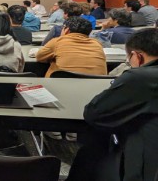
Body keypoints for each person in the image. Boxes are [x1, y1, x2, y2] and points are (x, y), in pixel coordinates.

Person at [67, 28, 158, 181]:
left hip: (144, 160)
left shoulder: (139, 77)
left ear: (137, 56)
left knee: (92, 148)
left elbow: (94, 113)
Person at [36, 16, 107, 77]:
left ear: (66, 30)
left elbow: (39, 57)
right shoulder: (97, 44)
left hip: (60, 85)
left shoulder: (57, 41)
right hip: (96, 85)